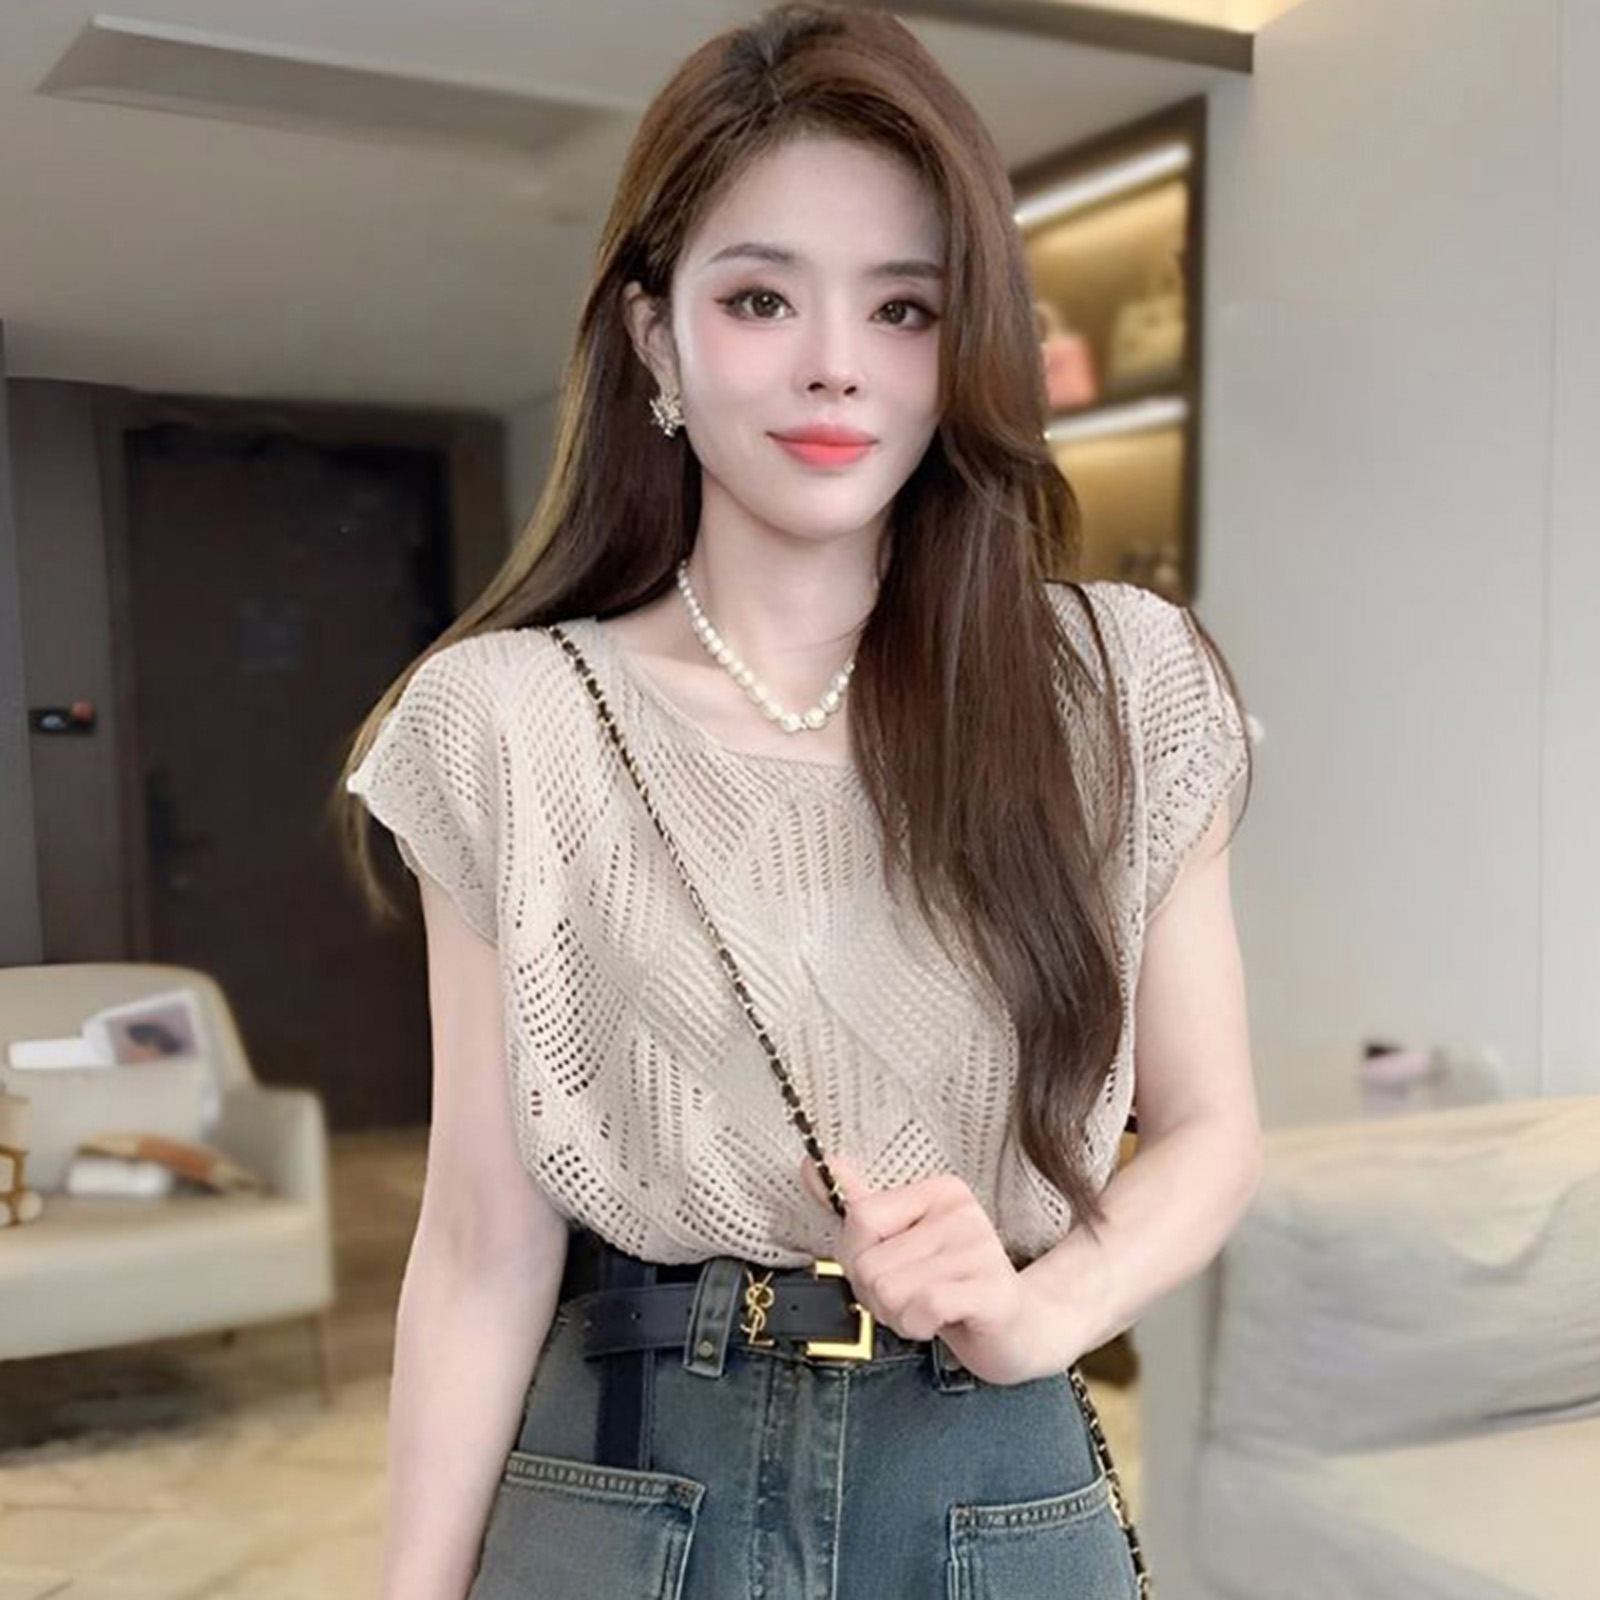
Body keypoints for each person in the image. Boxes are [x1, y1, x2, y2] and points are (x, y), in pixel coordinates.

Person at [336, 4, 1262, 1597]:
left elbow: (1211, 1130)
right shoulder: (507, 723)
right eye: (761, 296)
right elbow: (484, 1240)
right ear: (655, 337)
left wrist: (1036, 1309)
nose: (837, 362)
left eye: (904, 307)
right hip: (630, 1468)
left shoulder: (1119, 689)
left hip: (989, 1477)